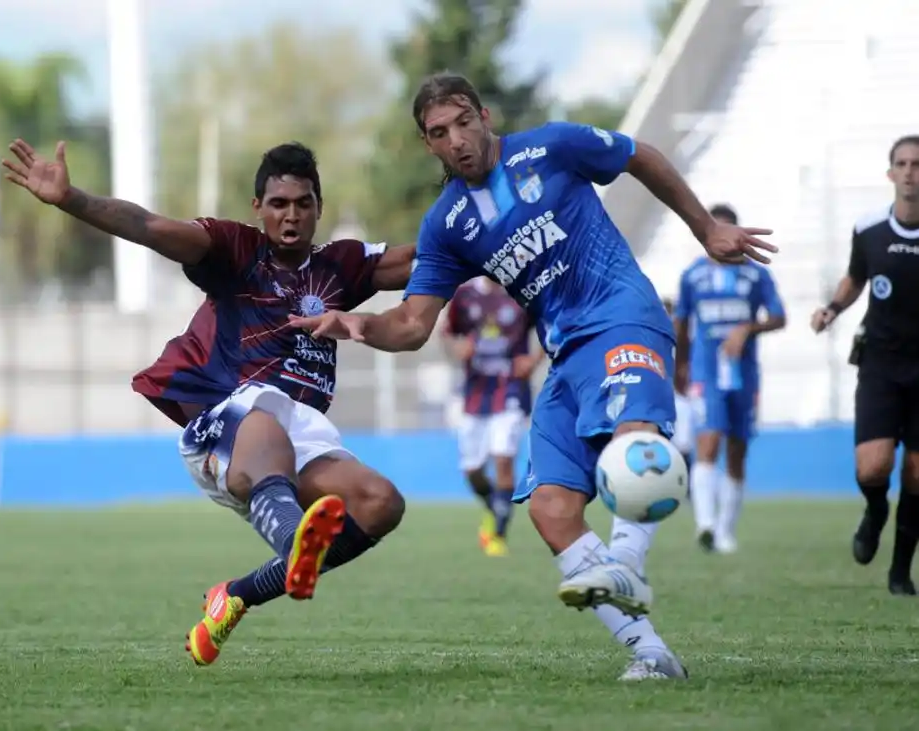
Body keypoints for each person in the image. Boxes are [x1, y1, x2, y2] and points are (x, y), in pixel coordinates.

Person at [290, 72, 777, 680]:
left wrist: (705, 227)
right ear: (429, 145)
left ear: (485, 116)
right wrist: (357, 325)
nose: (458, 139)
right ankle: (652, 655)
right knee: (549, 509)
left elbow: (639, 156)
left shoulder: (552, 147)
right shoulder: (448, 224)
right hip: (566, 355)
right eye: (441, 132)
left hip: (623, 315)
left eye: (465, 121)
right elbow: (414, 325)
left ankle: (626, 556)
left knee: (635, 439)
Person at [1, 138, 417, 662]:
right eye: (278, 204)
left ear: (319, 209)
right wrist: (72, 200)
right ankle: (295, 548)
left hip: (300, 430)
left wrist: (493, 234)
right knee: (265, 413)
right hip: (226, 422)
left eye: (303, 204)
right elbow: (148, 226)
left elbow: (426, 258)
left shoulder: (341, 266)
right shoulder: (233, 249)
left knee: (381, 504)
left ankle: (237, 595)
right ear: (257, 209)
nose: (291, 216)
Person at [811, 135, 919, 596]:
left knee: (916, 473)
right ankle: (875, 512)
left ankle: (900, 573)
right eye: (903, 163)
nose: (911, 171)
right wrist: (832, 308)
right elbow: (857, 277)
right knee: (872, 469)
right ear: (890, 173)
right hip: (879, 365)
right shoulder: (870, 228)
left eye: (918, 163)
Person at [673, 204, 786, 555]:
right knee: (708, 443)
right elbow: (681, 323)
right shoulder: (693, 276)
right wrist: (681, 365)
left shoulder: (755, 275)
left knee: (737, 451)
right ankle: (705, 524)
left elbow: (779, 317)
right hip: (707, 373)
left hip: (744, 374)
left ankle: (725, 531)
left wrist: (748, 328)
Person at [442, 276, 544, 556]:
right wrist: (457, 349)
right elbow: (448, 333)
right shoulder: (465, 294)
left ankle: (498, 534)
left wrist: (534, 360)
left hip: (511, 388)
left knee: (503, 458)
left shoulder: (523, 289)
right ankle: (495, 507)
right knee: (473, 470)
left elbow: (552, 325)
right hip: (475, 393)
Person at [661, 296, 694, 481]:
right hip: (656, 396)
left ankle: (686, 484)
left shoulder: (683, 340)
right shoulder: (648, 337)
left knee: (683, 443)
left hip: (678, 396)